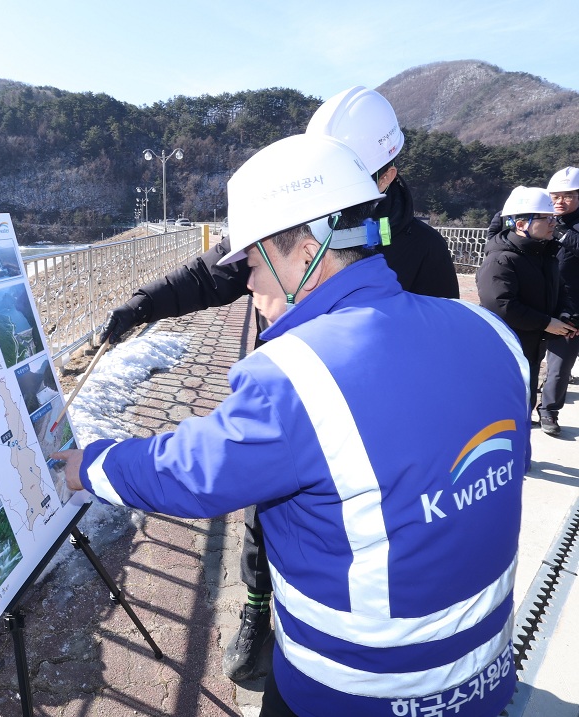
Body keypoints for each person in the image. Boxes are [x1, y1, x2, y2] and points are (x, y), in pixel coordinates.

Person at [56, 132, 528, 717]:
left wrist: (91, 464)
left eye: (253, 262)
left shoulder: (298, 373)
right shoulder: (492, 336)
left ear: (306, 251)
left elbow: (191, 473)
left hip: (355, 689)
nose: (247, 284)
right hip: (482, 677)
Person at [99, 86, 460, 683]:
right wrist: (141, 305)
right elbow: (213, 273)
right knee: (265, 518)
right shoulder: (294, 218)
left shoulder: (421, 249)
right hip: (292, 407)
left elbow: (436, 350)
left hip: (372, 439)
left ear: (389, 170)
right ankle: (257, 609)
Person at [476, 186, 576, 422]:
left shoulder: (545, 255)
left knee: (524, 402)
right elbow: (501, 305)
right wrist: (545, 323)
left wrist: (563, 313)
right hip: (507, 348)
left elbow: (560, 289)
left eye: (553, 217)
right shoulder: (501, 259)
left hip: (532, 345)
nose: (553, 223)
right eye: (546, 218)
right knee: (503, 405)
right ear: (520, 224)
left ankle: (520, 455)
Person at [537, 167, 579, 435]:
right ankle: (520, 407)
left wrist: (559, 231)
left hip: (571, 306)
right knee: (525, 359)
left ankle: (549, 411)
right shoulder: (539, 215)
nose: (559, 202)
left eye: (567, 196)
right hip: (537, 301)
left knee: (560, 366)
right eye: (555, 196)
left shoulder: (562, 226)